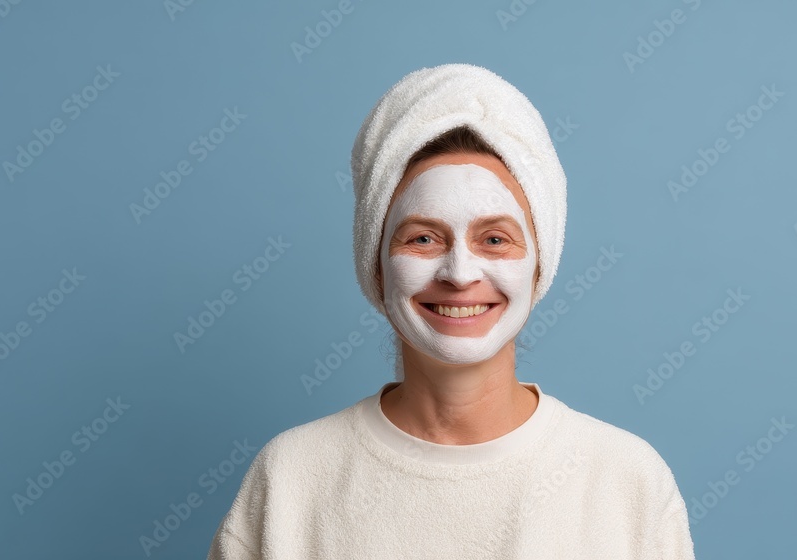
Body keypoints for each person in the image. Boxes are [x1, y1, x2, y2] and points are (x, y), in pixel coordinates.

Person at [207, 63, 695, 559]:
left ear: (539, 264)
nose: (460, 273)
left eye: (495, 239)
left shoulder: (627, 483)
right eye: (423, 237)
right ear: (374, 264)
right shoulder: (290, 479)